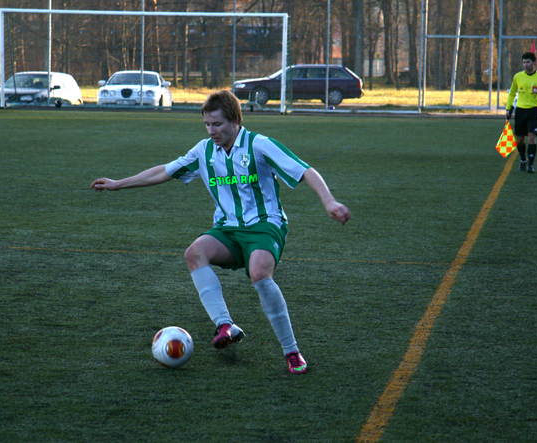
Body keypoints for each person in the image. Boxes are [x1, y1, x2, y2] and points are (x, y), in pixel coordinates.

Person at [91, 90, 350, 374]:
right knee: (194, 253)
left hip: (265, 224)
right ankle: (225, 325)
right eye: (207, 124)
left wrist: (329, 201)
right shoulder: (204, 151)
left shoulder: (259, 145)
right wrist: (118, 184)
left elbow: (305, 171)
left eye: (217, 124)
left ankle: (292, 352)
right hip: (227, 228)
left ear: (235, 121)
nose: (211, 130)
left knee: (259, 273)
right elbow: (164, 171)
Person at [506, 51, 537, 173]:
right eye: (524, 62)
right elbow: (512, 93)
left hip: (533, 111)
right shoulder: (518, 76)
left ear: (534, 62)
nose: (526, 65)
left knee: (532, 138)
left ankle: (531, 165)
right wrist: (508, 108)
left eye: (528, 62)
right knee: (519, 140)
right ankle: (523, 160)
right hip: (520, 111)